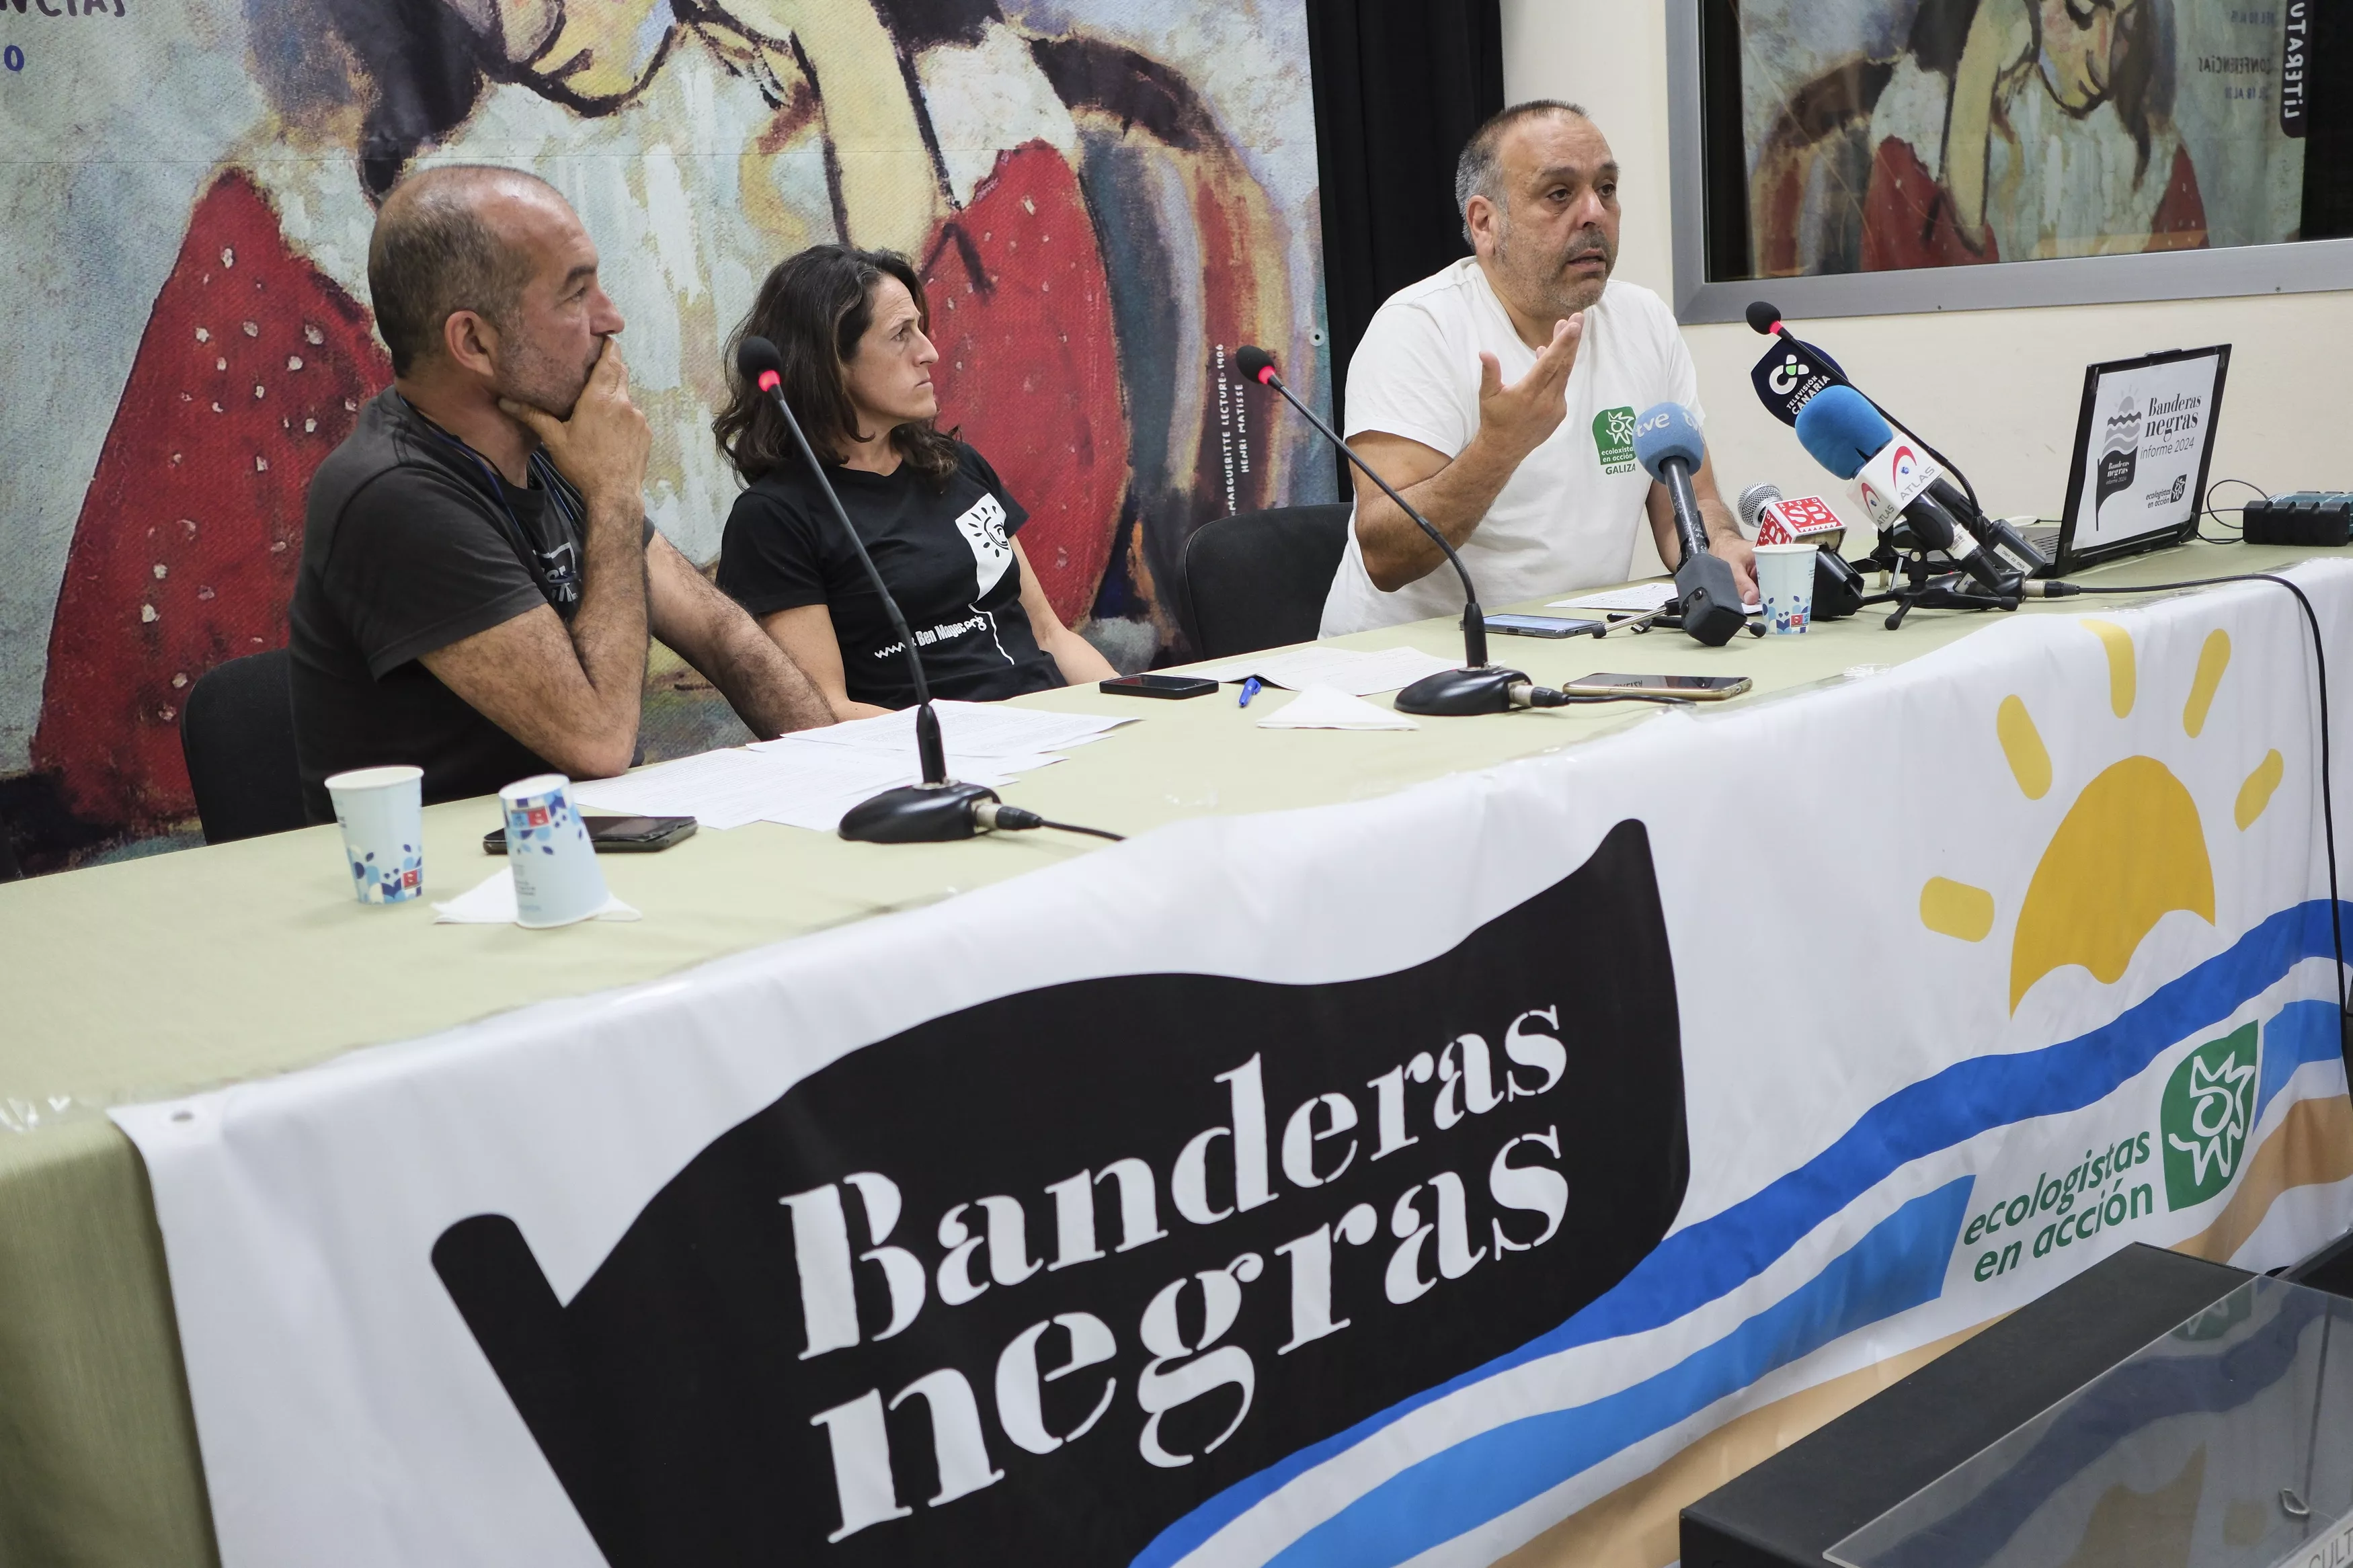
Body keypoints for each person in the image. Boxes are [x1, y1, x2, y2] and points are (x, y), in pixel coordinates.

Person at [289, 165, 834, 819]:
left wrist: (843, 773)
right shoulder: (393, 493)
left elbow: (726, 638)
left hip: (572, 852)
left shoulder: (546, 451)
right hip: (454, 884)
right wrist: (611, 491)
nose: (612, 318)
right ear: (474, 342)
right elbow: (597, 742)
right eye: (576, 296)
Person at [1320, 101, 1753, 638]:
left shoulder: (1643, 321)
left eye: (1608, 189)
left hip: (1578, 651)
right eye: (1560, 194)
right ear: (1485, 223)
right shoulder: (1419, 328)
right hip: (1410, 672)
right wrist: (1500, 447)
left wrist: (1723, 547)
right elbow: (1386, 553)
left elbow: (1688, 504)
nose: (1594, 212)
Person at [711, 245, 1115, 718]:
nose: (930, 352)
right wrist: (978, 744)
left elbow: (1050, 634)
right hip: (936, 764)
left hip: (1055, 728)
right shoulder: (775, 519)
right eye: (902, 335)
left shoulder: (959, 466)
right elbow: (823, 710)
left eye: (921, 329)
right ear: (830, 363)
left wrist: (1142, 711)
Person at [1861, 0, 2204, 268]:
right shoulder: (1913, 141)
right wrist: (1980, 66)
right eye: (2079, 13)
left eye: (2126, 21)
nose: (2102, 65)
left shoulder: (2158, 166)